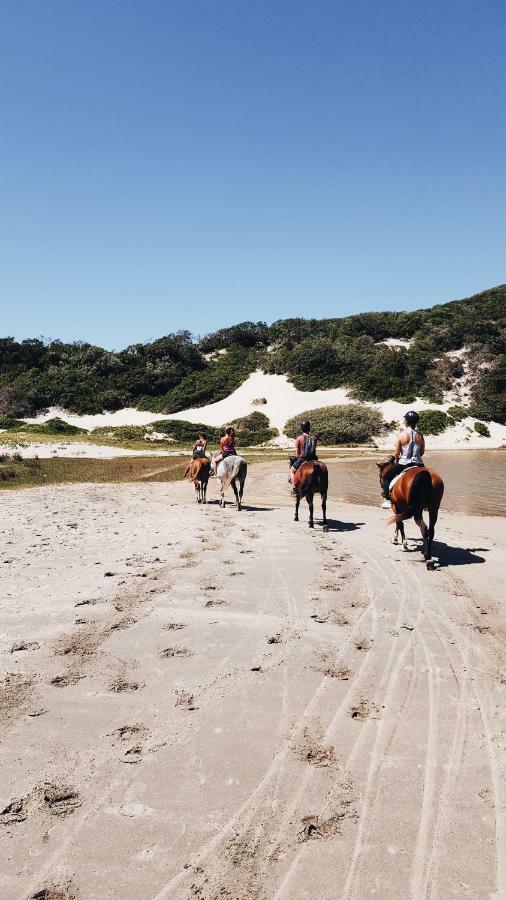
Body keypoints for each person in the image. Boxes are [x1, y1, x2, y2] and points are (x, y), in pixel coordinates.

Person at [380, 410, 425, 508]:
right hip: (418, 463)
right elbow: (421, 452)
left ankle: (387, 500)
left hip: (404, 463)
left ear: (406, 422)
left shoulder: (401, 435)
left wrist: (396, 460)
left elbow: (397, 453)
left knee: (386, 478)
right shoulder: (420, 436)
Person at [290, 419, 318, 489]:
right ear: (309, 427)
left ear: (302, 428)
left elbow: (297, 452)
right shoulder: (314, 438)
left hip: (303, 459)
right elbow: (314, 450)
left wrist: (297, 457)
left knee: (291, 471)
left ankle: (294, 489)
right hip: (313, 459)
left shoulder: (299, 438)